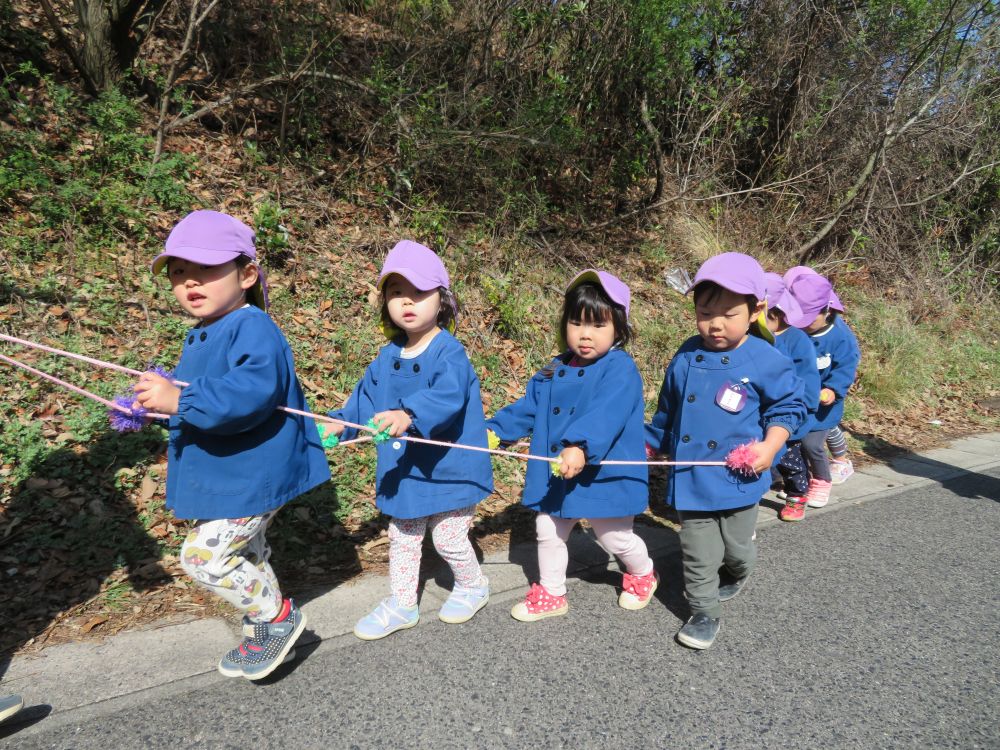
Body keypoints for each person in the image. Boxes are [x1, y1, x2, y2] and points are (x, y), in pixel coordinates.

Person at [133, 210, 330, 680]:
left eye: (205, 270)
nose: (189, 283)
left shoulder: (252, 326)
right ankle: (267, 630)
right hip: (231, 471)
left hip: (255, 471)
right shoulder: (202, 333)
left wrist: (180, 397)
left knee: (203, 556)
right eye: (179, 273)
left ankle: (277, 620)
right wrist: (161, 408)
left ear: (246, 275)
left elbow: (251, 392)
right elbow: (203, 402)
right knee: (248, 554)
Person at [324, 241, 494, 639]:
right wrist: (340, 424)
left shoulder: (449, 353)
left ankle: (473, 585)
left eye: (419, 292)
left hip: (450, 469)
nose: (407, 302)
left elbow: (448, 397)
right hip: (406, 471)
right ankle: (402, 604)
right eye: (397, 292)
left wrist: (410, 414)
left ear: (442, 299)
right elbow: (363, 402)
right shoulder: (385, 358)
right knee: (403, 537)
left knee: (449, 537)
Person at [646, 253, 805, 649]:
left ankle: (740, 569)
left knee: (736, 547)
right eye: (704, 312)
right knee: (698, 551)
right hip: (691, 478)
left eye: (729, 314)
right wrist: (653, 443)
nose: (715, 323)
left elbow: (790, 406)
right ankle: (704, 611)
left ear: (755, 311)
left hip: (740, 477)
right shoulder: (685, 354)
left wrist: (771, 445)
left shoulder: (765, 358)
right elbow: (669, 409)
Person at [487, 270, 656, 621]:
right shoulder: (554, 368)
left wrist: (580, 445)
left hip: (602, 471)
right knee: (548, 528)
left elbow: (607, 413)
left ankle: (642, 574)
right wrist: (494, 431)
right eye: (577, 323)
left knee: (614, 538)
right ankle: (552, 593)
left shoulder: (620, 368)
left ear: (619, 329)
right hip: (557, 473)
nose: (585, 334)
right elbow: (528, 407)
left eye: (598, 326)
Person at [785, 270, 860, 509]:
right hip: (799, 397)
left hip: (824, 401)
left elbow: (845, 368)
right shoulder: (794, 332)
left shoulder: (840, 338)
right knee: (792, 439)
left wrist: (833, 390)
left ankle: (822, 480)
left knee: (811, 443)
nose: (803, 325)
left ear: (826, 311)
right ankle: (800, 480)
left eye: (808, 319)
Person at [761, 273, 821, 522]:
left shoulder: (796, 340)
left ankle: (797, 494)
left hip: (789, 411)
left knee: (789, 459)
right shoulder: (755, 337)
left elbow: (807, 378)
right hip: (762, 410)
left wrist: (805, 406)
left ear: (775, 314)